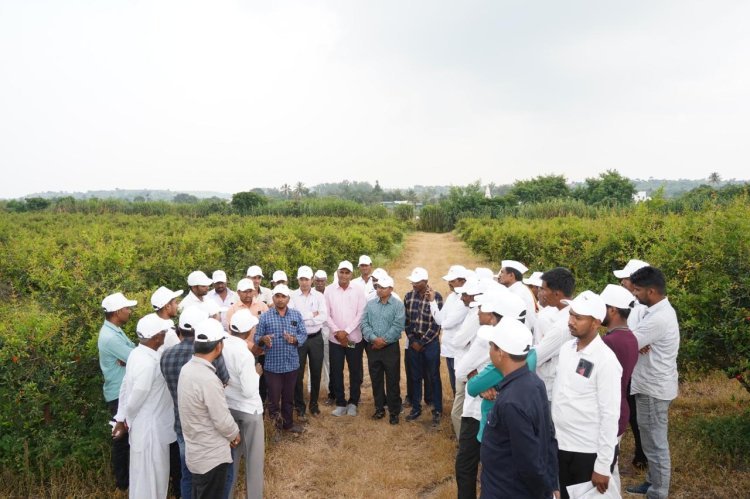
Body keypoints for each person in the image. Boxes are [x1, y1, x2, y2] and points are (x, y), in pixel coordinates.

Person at [476, 319, 558, 499]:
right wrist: (552, 483)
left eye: (492, 346)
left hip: (508, 490)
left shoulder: (511, 401)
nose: (489, 351)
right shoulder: (535, 383)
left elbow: (527, 461)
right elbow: (548, 437)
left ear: (501, 353)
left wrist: (546, 492)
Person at [552, 291, 621, 499]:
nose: (571, 321)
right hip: (560, 444)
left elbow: (610, 415)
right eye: (571, 315)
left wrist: (602, 465)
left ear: (595, 323)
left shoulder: (606, 360)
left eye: (578, 318)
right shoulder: (566, 349)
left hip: (586, 451)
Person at [160, 306, 230, 499]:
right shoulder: (210, 355)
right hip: (206, 427)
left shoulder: (166, 355)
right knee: (212, 477)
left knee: (187, 475)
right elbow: (224, 379)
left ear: (180, 330)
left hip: (180, 424)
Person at [625, 266, 680, 498]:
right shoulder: (654, 312)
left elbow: (628, 343)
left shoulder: (659, 318)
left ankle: (658, 492)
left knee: (656, 444)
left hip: (653, 388)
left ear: (652, 291)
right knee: (649, 441)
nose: (634, 294)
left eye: (637, 290)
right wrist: (637, 338)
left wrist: (635, 339)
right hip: (651, 384)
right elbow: (635, 339)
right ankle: (651, 482)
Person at [177, 319, 241, 499]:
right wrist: (234, 434)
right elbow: (221, 419)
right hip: (211, 456)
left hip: (196, 453)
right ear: (219, 347)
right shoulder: (209, 379)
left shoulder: (187, 370)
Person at [122, 314, 176, 499]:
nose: (165, 334)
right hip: (150, 431)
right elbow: (136, 397)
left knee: (145, 477)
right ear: (156, 338)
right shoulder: (147, 364)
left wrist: (124, 418)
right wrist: (127, 418)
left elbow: (124, 387)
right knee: (151, 479)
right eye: (163, 332)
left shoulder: (137, 353)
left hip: (147, 427)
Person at [600, 284, 640, 494]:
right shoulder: (630, 337)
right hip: (621, 408)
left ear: (613, 310)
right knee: (611, 469)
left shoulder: (610, 341)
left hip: (611, 410)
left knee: (603, 471)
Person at [254, 284, 308, 434]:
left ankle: (288, 424)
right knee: (273, 399)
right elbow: (257, 337)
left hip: (291, 364)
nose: (280, 299)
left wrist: (294, 339)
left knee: (289, 397)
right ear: (273, 298)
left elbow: (303, 334)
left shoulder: (296, 315)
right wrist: (263, 339)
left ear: (288, 298)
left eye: (283, 296)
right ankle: (275, 428)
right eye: (277, 296)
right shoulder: (265, 316)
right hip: (273, 366)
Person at [98, 291, 137, 491]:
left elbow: (132, 354)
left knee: (126, 438)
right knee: (121, 439)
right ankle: (123, 484)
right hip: (118, 395)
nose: (130, 312)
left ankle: (127, 482)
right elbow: (136, 356)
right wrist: (129, 358)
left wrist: (129, 358)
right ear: (117, 312)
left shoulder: (115, 331)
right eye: (127, 309)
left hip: (122, 392)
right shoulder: (110, 337)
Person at [614, 258, 651, 469]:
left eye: (626, 280)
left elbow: (642, 339)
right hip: (632, 368)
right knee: (633, 413)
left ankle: (642, 454)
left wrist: (637, 340)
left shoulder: (645, 308)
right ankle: (641, 453)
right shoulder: (634, 305)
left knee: (637, 415)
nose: (623, 284)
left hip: (640, 371)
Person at [224, 310, 264, 499]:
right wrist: (256, 373)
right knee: (254, 460)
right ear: (248, 331)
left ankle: (228, 494)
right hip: (249, 411)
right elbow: (249, 391)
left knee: (232, 457)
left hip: (230, 407)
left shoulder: (222, 346)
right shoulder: (245, 354)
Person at [324, 260, 368, 417]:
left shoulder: (358, 290)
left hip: (352, 340)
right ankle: (341, 402)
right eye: (341, 272)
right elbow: (326, 314)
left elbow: (361, 314)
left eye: (347, 272)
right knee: (336, 371)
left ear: (351, 274)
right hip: (336, 340)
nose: (343, 275)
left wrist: (347, 331)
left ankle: (353, 402)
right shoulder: (329, 290)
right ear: (337, 273)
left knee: (355, 370)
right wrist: (337, 331)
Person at [361, 275, 405, 424]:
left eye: (383, 288)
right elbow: (364, 323)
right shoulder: (371, 304)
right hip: (373, 347)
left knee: (392, 379)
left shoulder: (398, 305)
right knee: (376, 379)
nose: (380, 290)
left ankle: (394, 411)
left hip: (390, 348)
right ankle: (379, 408)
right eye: (378, 287)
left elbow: (398, 326)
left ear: (391, 289)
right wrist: (374, 339)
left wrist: (383, 341)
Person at [404, 267, 444, 427]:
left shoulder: (436, 297)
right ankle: (416, 407)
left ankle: (437, 409)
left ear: (425, 282)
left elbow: (437, 324)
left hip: (430, 343)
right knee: (415, 376)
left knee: (433, 376)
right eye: (412, 281)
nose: (413, 284)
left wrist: (422, 342)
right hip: (414, 342)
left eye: (417, 282)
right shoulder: (408, 297)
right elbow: (406, 320)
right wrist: (413, 339)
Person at [290, 265, 328, 419]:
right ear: (298, 280)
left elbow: (323, 316)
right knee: (298, 374)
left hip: (316, 338)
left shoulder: (319, 296)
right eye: (301, 279)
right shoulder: (292, 296)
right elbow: (293, 319)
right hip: (300, 339)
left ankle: (314, 404)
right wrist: (312, 315)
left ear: (312, 280)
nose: (304, 282)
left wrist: (304, 317)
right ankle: (300, 405)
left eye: (307, 279)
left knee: (316, 371)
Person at [534, 267, 576, 401]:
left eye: (544, 289)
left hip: (551, 389)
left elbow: (537, 356)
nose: (541, 293)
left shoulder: (564, 325)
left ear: (557, 294)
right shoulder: (551, 312)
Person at [429, 265, 469, 397]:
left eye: (453, 280)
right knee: (454, 385)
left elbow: (445, 324)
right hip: (449, 348)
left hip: (460, 350)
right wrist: (432, 301)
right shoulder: (452, 297)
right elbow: (440, 320)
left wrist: (443, 321)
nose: (449, 283)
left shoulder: (465, 300)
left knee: (461, 386)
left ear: (462, 280)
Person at [314, 269, 335, 406]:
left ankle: (329, 391)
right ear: (314, 280)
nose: (320, 283)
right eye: (317, 280)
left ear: (326, 281)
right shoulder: (311, 294)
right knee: (313, 363)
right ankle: (311, 392)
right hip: (314, 333)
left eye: (322, 280)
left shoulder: (331, 293)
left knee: (329, 363)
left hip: (329, 332)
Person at [498, 259, 537, 331]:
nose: (499, 275)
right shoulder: (516, 289)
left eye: (502, 272)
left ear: (511, 275)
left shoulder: (519, 292)